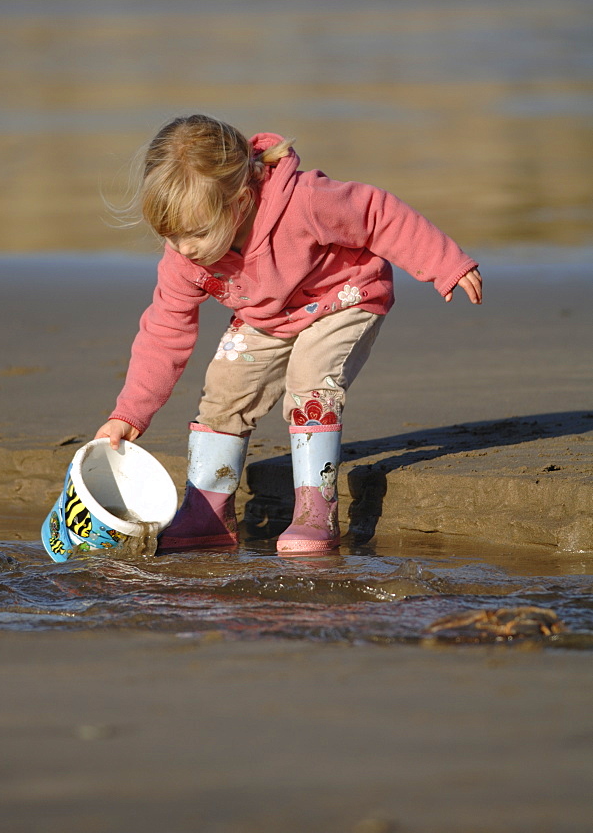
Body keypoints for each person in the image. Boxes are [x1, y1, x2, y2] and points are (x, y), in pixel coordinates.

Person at [95, 113, 482, 554]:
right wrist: (129, 413)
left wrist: (445, 263)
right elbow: (165, 328)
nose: (185, 249)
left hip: (343, 297)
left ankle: (315, 511)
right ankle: (207, 511)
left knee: (310, 378)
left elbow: (379, 215)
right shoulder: (187, 256)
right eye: (172, 236)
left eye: (197, 234)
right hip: (267, 315)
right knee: (223, 392)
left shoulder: (305, 201)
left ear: (240, 201)